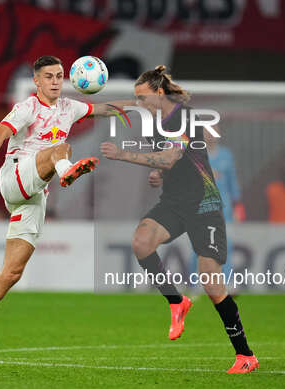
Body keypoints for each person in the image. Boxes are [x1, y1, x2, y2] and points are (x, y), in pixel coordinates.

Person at [0, 55, 130, 361]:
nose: (56, 81)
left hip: (34, 195)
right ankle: (66, 171)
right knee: (60, 149)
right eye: (49, 76)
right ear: (36, 81)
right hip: (15, 177)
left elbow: (102, 109)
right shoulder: (27, 107)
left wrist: (141, 102)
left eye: (59, 76)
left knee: (12, 272)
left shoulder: (70, 108)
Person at [100, 65, 258, 374]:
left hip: (204, 204)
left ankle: (245, 355)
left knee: (211, 279)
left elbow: (171, 156)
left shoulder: (184, 117)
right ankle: (177, 301)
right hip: (174, 202)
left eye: (142, 98)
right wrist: (159, 173)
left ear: (159, 93)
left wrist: (123, 155)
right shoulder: (158, 123)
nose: (140, 103)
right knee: (141, 242)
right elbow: (176, 162)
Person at [189, 130, 244, 283]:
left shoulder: (226, 155)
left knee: (225, 245)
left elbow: (232, 181)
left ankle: (225, 283)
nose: (211, 134)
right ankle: (193, 283)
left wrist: (237, 205)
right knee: (199, 247)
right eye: (207, 131)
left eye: (214, 130)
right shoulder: (195, 153)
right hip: (201, 207)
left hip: (224, 209)